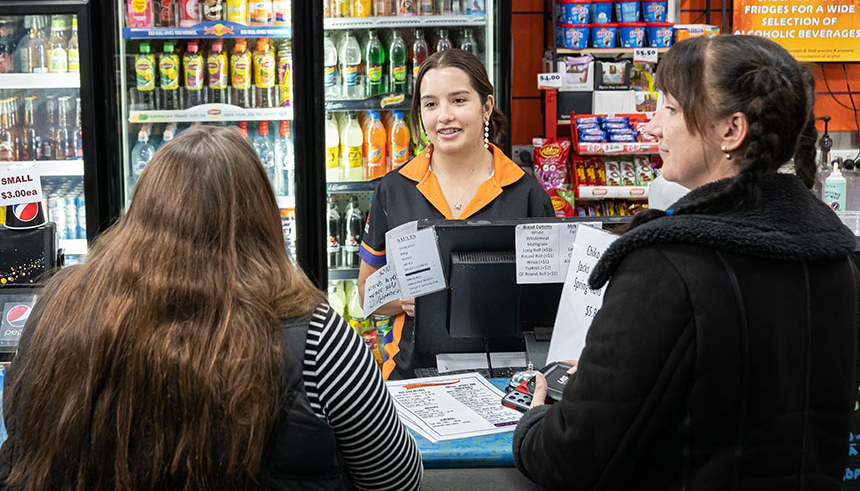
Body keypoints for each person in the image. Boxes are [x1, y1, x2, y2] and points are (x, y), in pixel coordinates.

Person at [513, 34, 860, 490]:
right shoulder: (841, 258)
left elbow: (571, 456)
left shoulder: (666, 267)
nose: (652, 126)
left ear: (731, 131)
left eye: (671, 110)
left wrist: (536, 419)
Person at [0, 126, 422, 491]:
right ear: (262, 219)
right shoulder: (318, 337)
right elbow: (395, 478)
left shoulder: (58, 304)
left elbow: (22, 434)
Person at [358, 48, 554, 379]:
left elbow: (551, 305)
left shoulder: (527, 194)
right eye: (430, 104)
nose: (444, 116)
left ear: (487, 107)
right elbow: (366, 293)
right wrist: (400, 300)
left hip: (506, 378)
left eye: (459, 100)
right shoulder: (394, 189)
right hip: (411, 375)